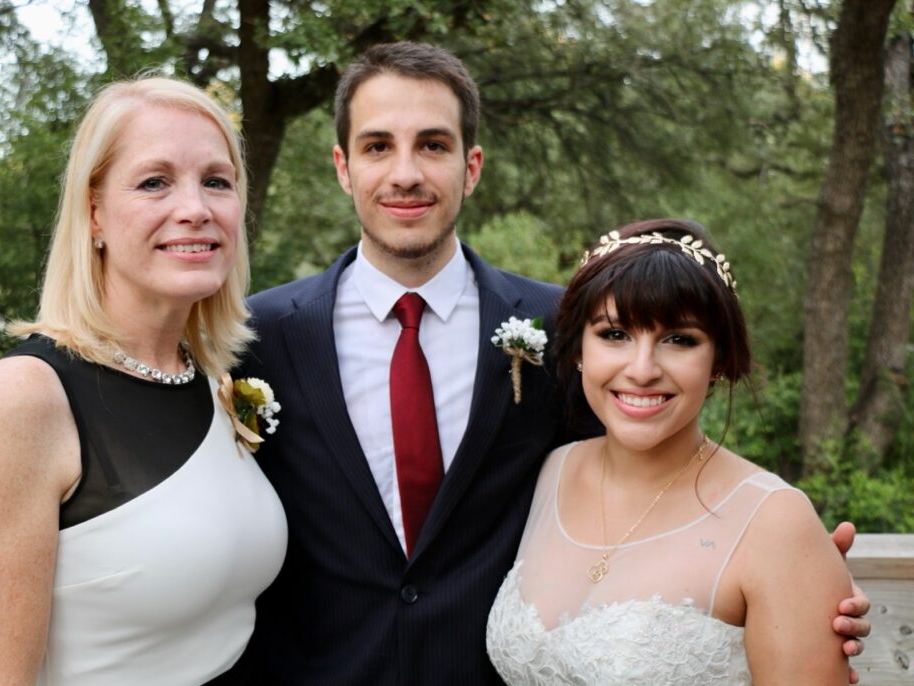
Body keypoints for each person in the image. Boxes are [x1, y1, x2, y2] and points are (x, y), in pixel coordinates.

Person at [231, 42, 869, 685]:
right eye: (376, 147)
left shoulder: (568, 327)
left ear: (471, 165)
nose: (405, 173)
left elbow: (651, 475)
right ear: (343, 166)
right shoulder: (257, 338)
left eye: (433, 144)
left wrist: (790, 576)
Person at [0, 76, 287, 685]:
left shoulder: (212, 380)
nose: (195, 209)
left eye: (216, 181)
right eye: (155, 182)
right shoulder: (25, 396)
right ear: (94, 212)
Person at [487, 218, 854, 684]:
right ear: (579, 345)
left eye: (679, 340)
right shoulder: (551, 470)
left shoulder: (776, 524)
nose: (642, 370)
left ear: (719, 359)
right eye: (615, 334)